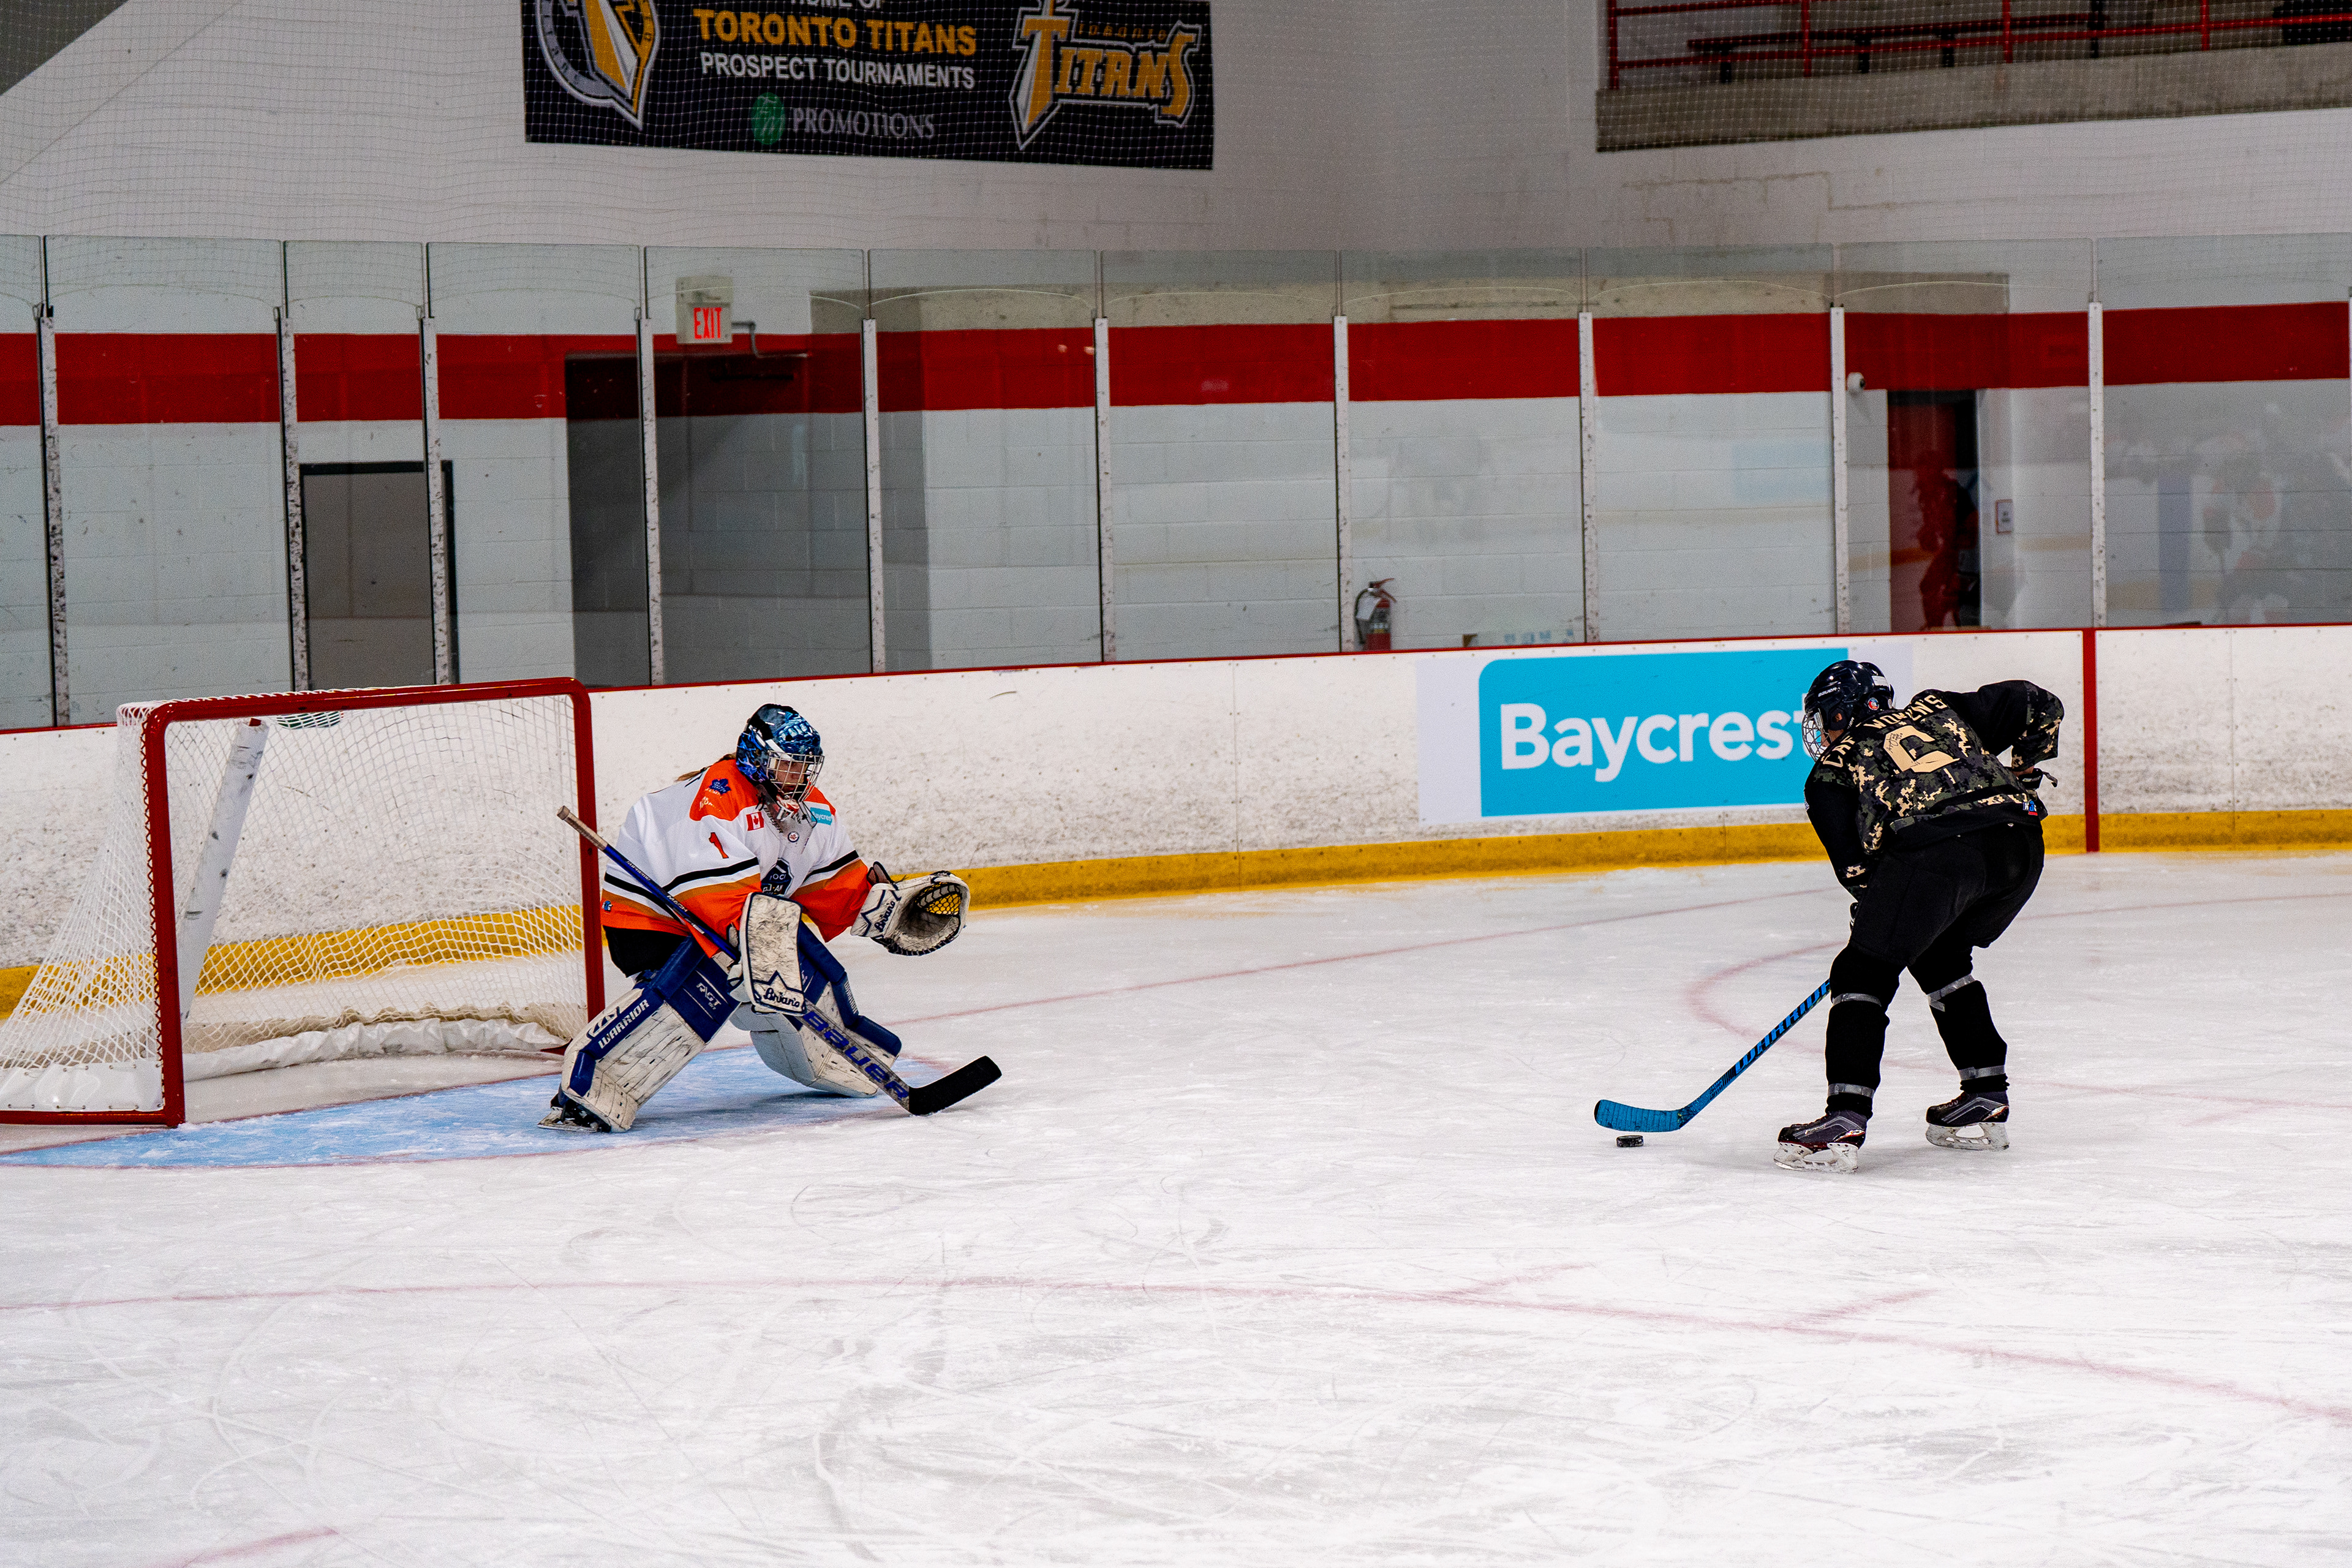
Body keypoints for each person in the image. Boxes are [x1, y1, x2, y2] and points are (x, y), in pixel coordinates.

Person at [542, 703, 967, 1131]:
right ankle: (590, 1087)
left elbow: (830, 887)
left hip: (745, 918)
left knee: (801, 967)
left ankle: (840, 1061)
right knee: (705, 983)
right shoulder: (717, 798)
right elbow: (715, 901)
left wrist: (881, 909)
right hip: (652, 919)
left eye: (805, 766)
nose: (798, 777)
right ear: (757, 758)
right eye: (788, 765)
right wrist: (756, 950)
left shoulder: (813, 811)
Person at [1774, 660, 2064, 1174]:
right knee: (1939, 953)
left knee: (1861, 971)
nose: (1824, 732)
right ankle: (1985, 1091)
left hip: (1941, 855)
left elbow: (1857, 868)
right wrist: (2024, 772)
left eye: (1826, 719)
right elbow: (2039, 702)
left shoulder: (1830, 772)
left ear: (1840, 713)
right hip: (2020, 847)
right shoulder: (1941, 708)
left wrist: (1875, 912)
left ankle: (1845, 1117)